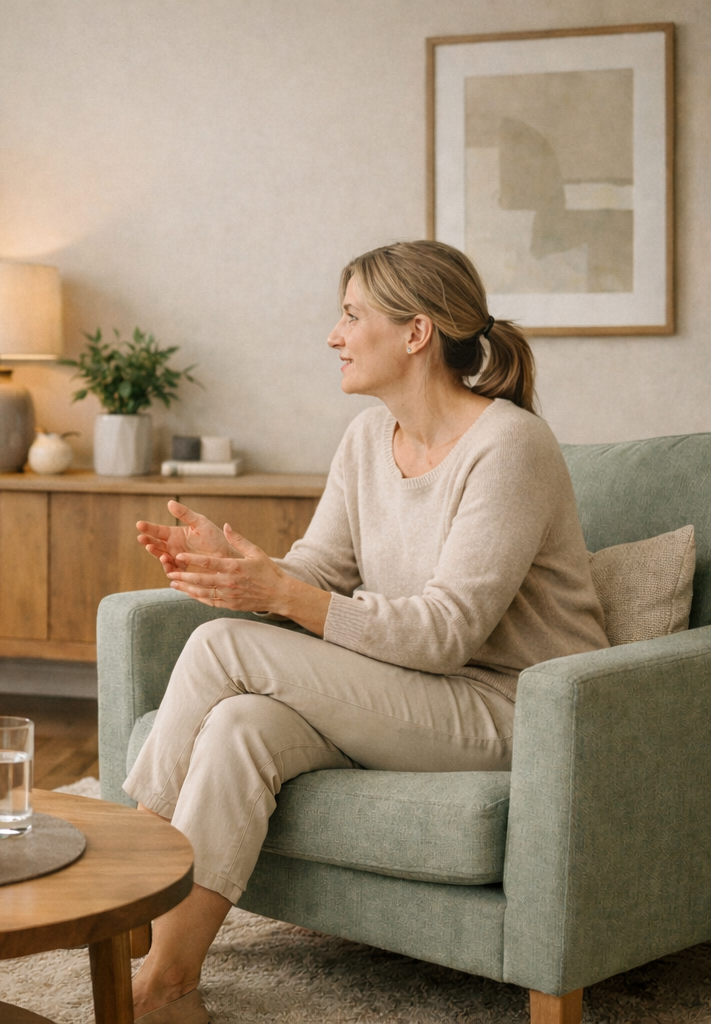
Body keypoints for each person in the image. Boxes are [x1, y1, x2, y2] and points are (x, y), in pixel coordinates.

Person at [123, 240, 608, 1023]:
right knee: (242, 725)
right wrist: (249, 567)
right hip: (415, 697)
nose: (333, 334)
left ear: (416, 333)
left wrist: (276, 596)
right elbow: (322, 567)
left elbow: (447, 632)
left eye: (351, 315)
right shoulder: (365, 441)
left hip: (514, 711)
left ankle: (123, 882)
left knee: (222, 645)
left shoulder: (509, 446)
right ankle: (168, 984)